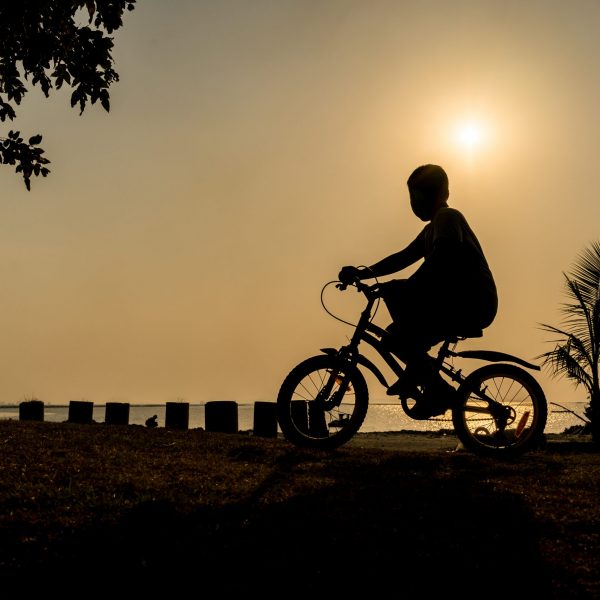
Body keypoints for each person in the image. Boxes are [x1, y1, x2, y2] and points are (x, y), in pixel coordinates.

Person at [338, 164, 498, 418]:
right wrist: (362, 273)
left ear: (429, 195)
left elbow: (443, 259)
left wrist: (405, 286)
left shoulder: (448, 218)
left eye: (414, 197)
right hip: (455, 302)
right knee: (393, 338)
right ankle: (432, 383)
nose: (412, 204)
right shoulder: (431, 228)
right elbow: (402, 257)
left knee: (398, 311)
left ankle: (434, 388)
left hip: (471, 301)